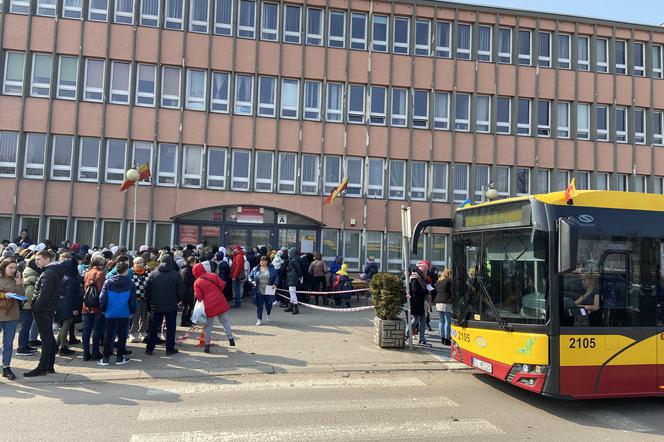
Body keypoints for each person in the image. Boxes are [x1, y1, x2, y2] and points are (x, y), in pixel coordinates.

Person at [24, 251, 64, 377]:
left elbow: (44, 294)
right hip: (47, 309)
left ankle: (42, 367)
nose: (36, 262)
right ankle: (49, 366)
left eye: (39, 259)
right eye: (36, 259)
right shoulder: (51, 271)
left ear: (47, 260)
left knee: (46, 339)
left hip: (43, 310)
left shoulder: (49, 273)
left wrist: (35, 308)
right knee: (49, 338)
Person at [98, 262, 136, 366]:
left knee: (108, 335)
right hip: (125, 312)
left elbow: (102, 298)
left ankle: (105, 358)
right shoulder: (130, 283)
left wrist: (103, 309)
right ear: (126, 270)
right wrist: (132, 311)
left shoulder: (108, 282)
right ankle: (119, 358)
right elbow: (132, 300)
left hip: (110, 312)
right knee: (122, 335)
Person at [145, 255, 184, 356]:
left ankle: (149, 348)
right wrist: (177, 300)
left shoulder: (153, 274)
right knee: (171, 328)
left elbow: (147, 291)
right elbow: (180, 292)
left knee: (153, 327)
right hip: (171, 305)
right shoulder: (176, 275)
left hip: (155, 305)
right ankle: (169, 349)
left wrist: (149, 303)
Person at [192, 261, 234, 353]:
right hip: (220, 300)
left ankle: (207, 346)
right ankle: (231, 338)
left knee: (208, 326)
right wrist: (217, 292)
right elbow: (222, 284)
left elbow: (199, 298)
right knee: (224, 321)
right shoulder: (213, 275)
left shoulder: (197, 282)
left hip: (208, 306)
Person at [0, 258, 25, 380]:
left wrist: (19, 283)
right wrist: (4, 295)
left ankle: (6, 367)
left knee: (8, 343)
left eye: (15, 268)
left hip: (12, 314)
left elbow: (21, 296)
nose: (13, 270)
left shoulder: (16, 279)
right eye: (10, 267)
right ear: (4, 267)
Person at [56, 258, 82, 356]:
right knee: (65, 326)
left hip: (61, 303)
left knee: (63, 326)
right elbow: (71, 295)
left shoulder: (62, 277)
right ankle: (62, 347)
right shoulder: (71, 279)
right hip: (68, 304)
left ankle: (56, 345)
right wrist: (74, 308)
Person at [82, 255, 106, 361]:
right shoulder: (100, 274)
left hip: (86, 305)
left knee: (86, 330)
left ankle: (86, 353)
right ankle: (95, 352)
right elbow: (101, 291)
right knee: (97, 330)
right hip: (97, 307)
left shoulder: (88, 273)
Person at [16, 256, 40, 356]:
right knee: (25, 327)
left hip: (26, 305)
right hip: (27, 306)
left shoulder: (28, 273)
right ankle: (21, 348)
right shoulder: (32, 277)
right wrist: (31, 303)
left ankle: (25, 345)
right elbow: (29, 292)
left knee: (26, 326)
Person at [408, 261, 432, 346]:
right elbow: (415, 290)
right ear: (423, 270)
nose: (426, 272)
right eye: (426, 271)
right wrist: (425, 291)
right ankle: (406, 334)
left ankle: (422, 339)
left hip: (421, 301)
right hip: (416, 301)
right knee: (416, 319)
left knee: (422, 320)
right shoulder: (415, 277)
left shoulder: (420, 277)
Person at [249, 256, 279, 325]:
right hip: (259, 290)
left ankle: (268, 314)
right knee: (259, 305)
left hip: (269, 290)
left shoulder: (272, 269)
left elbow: (277, 277)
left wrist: (275, 284)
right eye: (261, 261)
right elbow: (250, 277)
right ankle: (259, 319)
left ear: (267, 261)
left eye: (264, 261)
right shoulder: (255, 269)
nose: (262, 262)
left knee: (269, 304)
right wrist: (252, 281)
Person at [129, 256, 150, 343]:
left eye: (141, 262)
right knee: (135, 316)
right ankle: (133, 334)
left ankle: (143, 332)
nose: (139, 264)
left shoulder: (148, 272)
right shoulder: (130, 272)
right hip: (135, 298)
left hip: (145, 298)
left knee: (145, 316)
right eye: (137, 263)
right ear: (133, 264)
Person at [435, 268, 453, 346]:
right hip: (446, 301)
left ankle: (442, 338)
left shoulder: (439, 281)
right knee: (447, 321)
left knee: (441, 321)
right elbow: (452, 291)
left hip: (438, 301)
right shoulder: (449, 281)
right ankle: (447, 339)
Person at [285, 247, 302, 315]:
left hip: (292, 278)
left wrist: (300, 276)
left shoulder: (294, 260)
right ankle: (291, 307)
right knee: (291, 293)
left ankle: (296, 308)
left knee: (292, 293)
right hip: (291, 278)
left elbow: (299, 270)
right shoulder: (293, 260)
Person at [180, 256, 196, 327]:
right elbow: (185, 281)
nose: (195, 264)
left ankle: (188, 319)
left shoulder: (189, 269)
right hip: (186, 291)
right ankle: (184, 321)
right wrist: (193, 279)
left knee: (190, 306)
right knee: (186, 307)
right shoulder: (186, 270)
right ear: (191, 263)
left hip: (189, 290)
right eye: (194, 262)